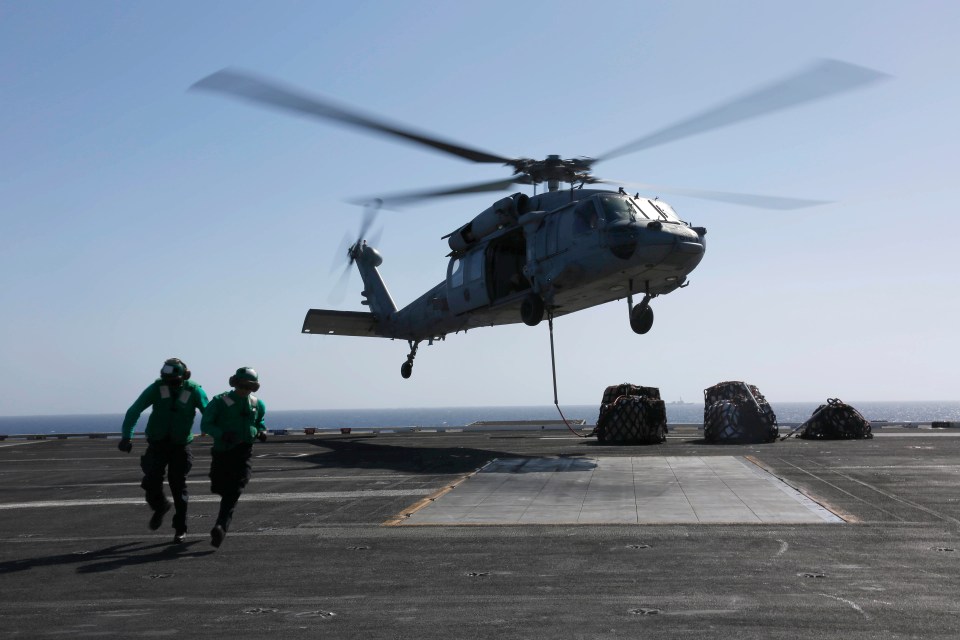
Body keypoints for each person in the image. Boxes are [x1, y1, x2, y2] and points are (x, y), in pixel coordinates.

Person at [119, 358, 208, 543]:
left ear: (184, 376)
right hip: (157, 444)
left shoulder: (194, 390)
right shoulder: (156, 388)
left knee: (179, 486)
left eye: (173, 380)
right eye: (167, 380)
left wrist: (219, 432)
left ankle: (180, 528)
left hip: (180, 446)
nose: (169, 383)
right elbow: (135, 410)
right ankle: (160, 506)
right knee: (151, 482)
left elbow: (209, 413)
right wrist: (127, 436)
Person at [200, 366, 267, 548]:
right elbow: (206, 424)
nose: (245, 390)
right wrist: (222, 434)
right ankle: (221, 523)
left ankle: (221, 526)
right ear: (235, 383)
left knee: (235, 488)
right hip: (223, 452)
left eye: (249, 387)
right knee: (219, 486)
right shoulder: (220, 401)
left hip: (243, 452)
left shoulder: (257, 404)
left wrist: (261, 431)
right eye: (242, 385)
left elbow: (259, 422)